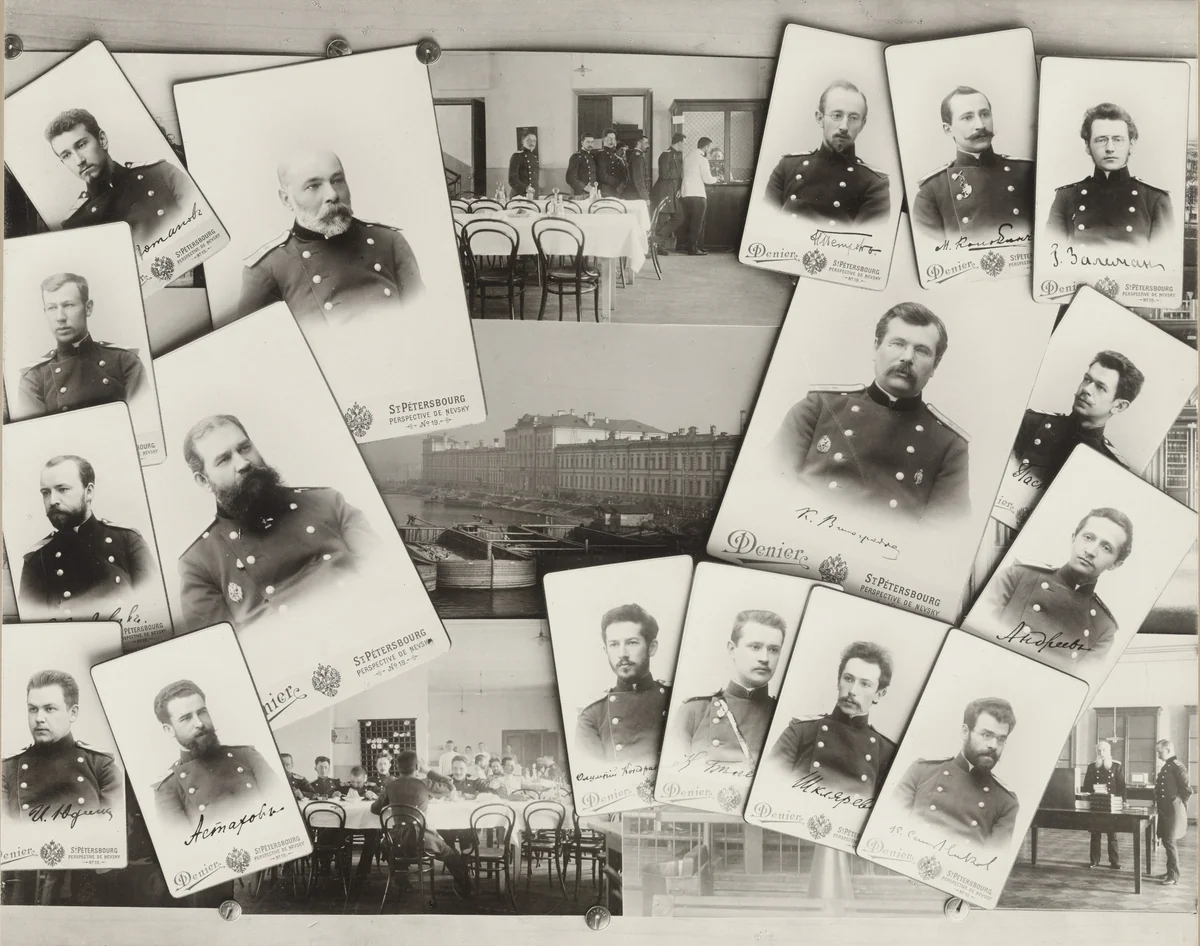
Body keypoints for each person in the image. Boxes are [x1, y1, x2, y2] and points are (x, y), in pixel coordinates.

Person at [176, 414, 380, 632]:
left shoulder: (328, 502)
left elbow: (386, 575)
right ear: (204, 481)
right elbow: (221, 654)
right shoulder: (200, 564)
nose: (243, 463)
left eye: (244, 448)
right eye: (224, 459)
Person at [771, 302, 970, 520]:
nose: (907, 357)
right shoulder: (819, 407)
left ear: (935, 365)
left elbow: (945, 532)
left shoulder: (948, 445)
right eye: (897, 344)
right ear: (876, 347)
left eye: (921, 351)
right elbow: (769, 485)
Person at [236, 150, 425, 329]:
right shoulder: (267, 268)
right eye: (313, 186)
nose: (333, 194)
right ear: (286, 200)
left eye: (337, 180)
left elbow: (424, 320)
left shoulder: (389, 241)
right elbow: (258, 351)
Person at [978, 507, 1131, 665]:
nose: (1091, 551)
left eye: (1106, 548)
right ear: (1073, 538)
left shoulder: (1104, 628)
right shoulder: (1016, 576)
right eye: (1088, 537)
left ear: (1115, 564)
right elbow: (976, 633)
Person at [19, 454, 156, 618]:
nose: (52, 500)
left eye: (62, 489)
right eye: (45, 492)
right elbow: (33, 626)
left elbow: (154, 607)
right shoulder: (38, 558)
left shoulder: (127, 540)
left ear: (89, 492)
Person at [767, 641, 898, 795]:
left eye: (865, 684)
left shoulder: (886, 753)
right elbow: (769, 786)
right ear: (838, 681)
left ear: (879, 694)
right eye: (848, 679)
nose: (853, 691)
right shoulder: (801, 731)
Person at [46, 107, 196, 242]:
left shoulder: (161, 174)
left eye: (81, 145)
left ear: (102, 140)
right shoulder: (75, 225)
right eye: (66, 155)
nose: (79, 160)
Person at [16, 272, 147, 420]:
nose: (60, 317)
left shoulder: (124, 361)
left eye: (68, 305)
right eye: (52, 308)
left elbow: (142, 419)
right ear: (45, 312)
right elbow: (34, 436)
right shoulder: (34, 377)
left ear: (88, 308)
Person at [912, 86, 1035, 243]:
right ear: (948, 130)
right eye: (967, 118)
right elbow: (930, 254)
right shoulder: (932, 191)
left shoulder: (1027, 173)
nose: (980, 125)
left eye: (984, 114)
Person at [893, 697, 1019, 848]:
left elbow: (992, 862)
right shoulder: (921, 771)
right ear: (965, 732)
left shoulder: (1006, 802)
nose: (993, 745)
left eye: (1001, 739)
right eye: (986, 735)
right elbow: (890, 827)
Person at [764, 80, 889, 225]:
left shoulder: (874, 183)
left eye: (853, 118)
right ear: (820, 118)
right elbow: (766, 225)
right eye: (837, 115)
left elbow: (868, 240)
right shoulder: (787, 167)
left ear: (862, 124)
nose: (844, 126)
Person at [152, 680, 278, 825]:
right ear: (169, 730)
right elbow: (180, 842)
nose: (199, 723)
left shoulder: (247, 755)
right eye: (186, 718)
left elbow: (282, 807)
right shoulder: (168, 787)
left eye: (202, 712)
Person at [1047, 103, 1172, 245]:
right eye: (1101, 140)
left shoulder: (1155, 199)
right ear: (1088, 147)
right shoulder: (1066, 197)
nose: (1110, 148)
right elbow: (1052, 254)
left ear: (1131, 145)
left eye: (1118, 140)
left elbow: (1163, 258)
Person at [673, 610, 788, 764]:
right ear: (732, 649)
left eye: (773, 650)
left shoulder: (783, 719)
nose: (765, 658)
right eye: (755, 647)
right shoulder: (694, 711)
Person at [2, 669, 122, 817]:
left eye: (49, 709)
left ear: (73, 713)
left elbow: (111, 828)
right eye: (33, 709)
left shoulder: (100, 765)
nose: (39, 718)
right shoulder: (7, 769)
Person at [362, 750, 474, 897]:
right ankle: (467, 888)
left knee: (387, 846)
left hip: (397, 840)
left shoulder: (390, 786)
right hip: (422, 840)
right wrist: (427, 771)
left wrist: (393, 805)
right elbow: (449, 786)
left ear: (397, 766)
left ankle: (402, 881)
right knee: (449, 853)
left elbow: (375, 809)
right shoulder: (424, 783)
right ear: (416, 767)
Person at [1011, 351, 1142, 474]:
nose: (1086, 389)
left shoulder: (1112, 467)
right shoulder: (1030, 422)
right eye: (1087, 379)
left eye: (1100, 387)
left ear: (1119, 406)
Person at [576, 602, 672, 764]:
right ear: (606, 650)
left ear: (652, 647)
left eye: (632, 642)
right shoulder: (592, 714)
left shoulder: (673, 701)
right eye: (614, 644)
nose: (622, 654)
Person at [1153, 739, 1192, 885]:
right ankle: (1170, 871)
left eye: (1160, 751)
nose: (1158, 755)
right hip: (1165, 810)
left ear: (1168, 750)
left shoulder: (1177, 766)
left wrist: (1179, 806)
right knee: (1166, 840)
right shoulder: (1168, 766)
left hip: (1173, 811)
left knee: (1170, 842)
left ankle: (1174, 876)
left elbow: (1187, 790)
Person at [1083, 740, 1126, 869]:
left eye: (1104, 750)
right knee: (1095, 834)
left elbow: (1121, 787)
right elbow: (1086, 786)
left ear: (1109, 752)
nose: (1101, 753)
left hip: (1111, 805)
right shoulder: (1092, 767)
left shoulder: (1116, 766)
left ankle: (1114, 861)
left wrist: (1123, 802)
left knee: (1112, 834)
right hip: (1096, 804)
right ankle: (1094, 860)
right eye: (1099, 751)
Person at [679, 136, 718, 255]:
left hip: (686, 194)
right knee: (698, 223)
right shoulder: (702, 159)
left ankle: (696, 246)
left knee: (690, 221)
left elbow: (682, 175)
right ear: (706, 147)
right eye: (709, 147)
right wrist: (717, 178)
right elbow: (707, 179)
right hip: (698, 195)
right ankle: (694, 249)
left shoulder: (687, 157)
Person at [650, 133, 686, 253]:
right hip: (663, 191)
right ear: (679, 142)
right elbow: (664, 174)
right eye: (683, 144)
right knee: (663, 219)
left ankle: (657, 241)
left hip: (674, 191)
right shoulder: (665, 155)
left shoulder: (679, 155)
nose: (683, 146)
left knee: (679, 217)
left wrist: (680, 188)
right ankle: (658, 246)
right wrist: (680, 176)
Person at [595, 129, 628, 198]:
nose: (612, 141)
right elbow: (603, 175)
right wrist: (617, 183)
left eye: (613, 139)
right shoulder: (601, 154)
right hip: (606, 190)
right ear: (603, 139)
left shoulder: (615, 154)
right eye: (609, 139)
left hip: (617, 190)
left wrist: (622, 184)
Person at [507, 131, 540, 197]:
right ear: (523, 141)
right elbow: (512, 180)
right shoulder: (517, 156)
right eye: (529, 140)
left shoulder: (534, 158)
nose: (532, 143)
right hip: (519, 195)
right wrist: (526, 189)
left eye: (534, 141)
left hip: (532, 196)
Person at [625, 136, 652, 202]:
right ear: (639, 144)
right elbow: (639, 180)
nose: (648, 145)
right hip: (636, 195)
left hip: (636, 194)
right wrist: (645, 197)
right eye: (646, 143)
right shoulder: (637, 157)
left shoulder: (637, 155)